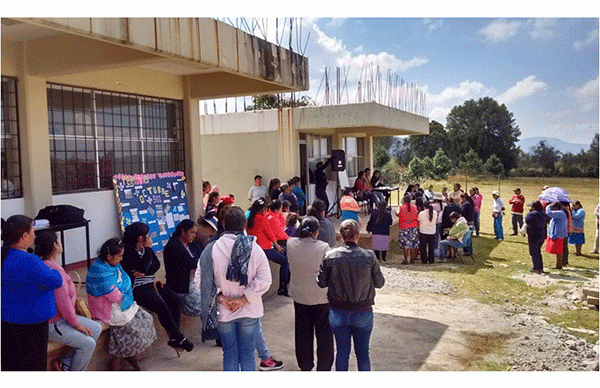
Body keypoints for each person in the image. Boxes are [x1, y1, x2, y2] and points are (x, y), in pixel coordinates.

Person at [198, 206, 273, 371]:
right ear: (245, 224)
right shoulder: (254, 248)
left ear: (223, 224)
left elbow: (200, 280)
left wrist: (220, 298)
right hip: (249, 310)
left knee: (229, 353)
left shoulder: (211, 249)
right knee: (247, 353)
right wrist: (244, 299)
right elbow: (266, 279)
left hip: (224, 311)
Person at [317, 219, 385, 371]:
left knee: (342, 352)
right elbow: (380, 283)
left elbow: (321, 282)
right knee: (363, 354)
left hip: (338, 311)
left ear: (341, 235)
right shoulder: (369, 256)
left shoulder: (330, 255)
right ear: (357, 235)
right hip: (362, 311)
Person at [120, 222, 194, 355]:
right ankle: (178, 337)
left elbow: (155, 265)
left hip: (152, 281)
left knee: (175, 299)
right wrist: (147, 255)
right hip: (138, 286)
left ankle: (174, 336)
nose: (148, 238)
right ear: (140, 238)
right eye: (146, 235)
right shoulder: (129, 251)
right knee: (160, 305)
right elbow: (143, 267)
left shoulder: (143, 249)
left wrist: (146, 266)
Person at [1, 215, 62, 371]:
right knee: (33, 367)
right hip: (30, 325)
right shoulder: (29, 260)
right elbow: (56, 280)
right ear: (24, 236)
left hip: (7, 321)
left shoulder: (4, 255)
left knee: (12, 365)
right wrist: (53, 260)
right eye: (33, 231)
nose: (35, 235)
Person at [36, 231, 103, 371]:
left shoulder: (49, 264)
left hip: (62, 317)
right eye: (59, 241)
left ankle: (65, 363)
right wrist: (76, 324)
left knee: (96, 328)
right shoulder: (53, 269)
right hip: (53, 323)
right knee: (88, 344)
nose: (61, 243)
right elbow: (63, 302)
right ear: (55, 245)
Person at [86, 238, 157, 371]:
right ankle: (118, 359)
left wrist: (124, 290)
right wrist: (124, 290)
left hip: (121, 301)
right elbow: (115, 295)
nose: (122, 259)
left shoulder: (113, 265)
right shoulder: (99, 271)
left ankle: (130, 354)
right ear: (109, 256)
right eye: (119, 256)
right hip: (106, 307)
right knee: (130, 328)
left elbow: (125, 280)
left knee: (146, 318)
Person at [287, 216, 334, 371]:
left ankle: (305, 365)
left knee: (302, 334)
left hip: (299, 296)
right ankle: (324, 367)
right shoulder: (323, 247)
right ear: (315, 233)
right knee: (324, 335)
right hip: (320, 297)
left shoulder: (291, 244)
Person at [246, 198, 290, 296]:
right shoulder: (262, 218)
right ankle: (283, 287)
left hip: (254, 247)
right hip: (264, 248)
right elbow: (269, 233)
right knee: (285, 261)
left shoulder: (250, 218)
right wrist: (277, 245)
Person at [163, 219, 199, 297]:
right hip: (180, 287)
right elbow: (191, 264)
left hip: (192, 283)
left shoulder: (191, 244)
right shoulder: (173, 246)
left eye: (195, 233)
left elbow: (201, 258)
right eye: (192, 232)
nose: (194, 235)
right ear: (183, 232)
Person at [525, 201, 549, 274]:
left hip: (533, 236)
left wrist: (530, 212)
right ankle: (540, 267)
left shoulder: (531, 214)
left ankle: (536, 268)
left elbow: (527, 220)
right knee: (538, 251)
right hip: (542, 235)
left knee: (533, 252)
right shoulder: (544, 214)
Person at [397, 194, 420, 264]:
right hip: (413, 227)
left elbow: (399, 214)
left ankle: (406, 260)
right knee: (413, 244)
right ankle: (412, 259)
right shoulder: (414, 207)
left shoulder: (401, 207)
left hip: (404, 227)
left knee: (405, 245)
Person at [546, 202, 568, 270]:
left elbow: (548, 213)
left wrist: (548, 206)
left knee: (559, 251)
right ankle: (558, 264)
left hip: (558, 234)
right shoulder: (560, 212)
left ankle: (559, 265)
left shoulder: (560, 213)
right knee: (558, 251)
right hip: (557, 234)